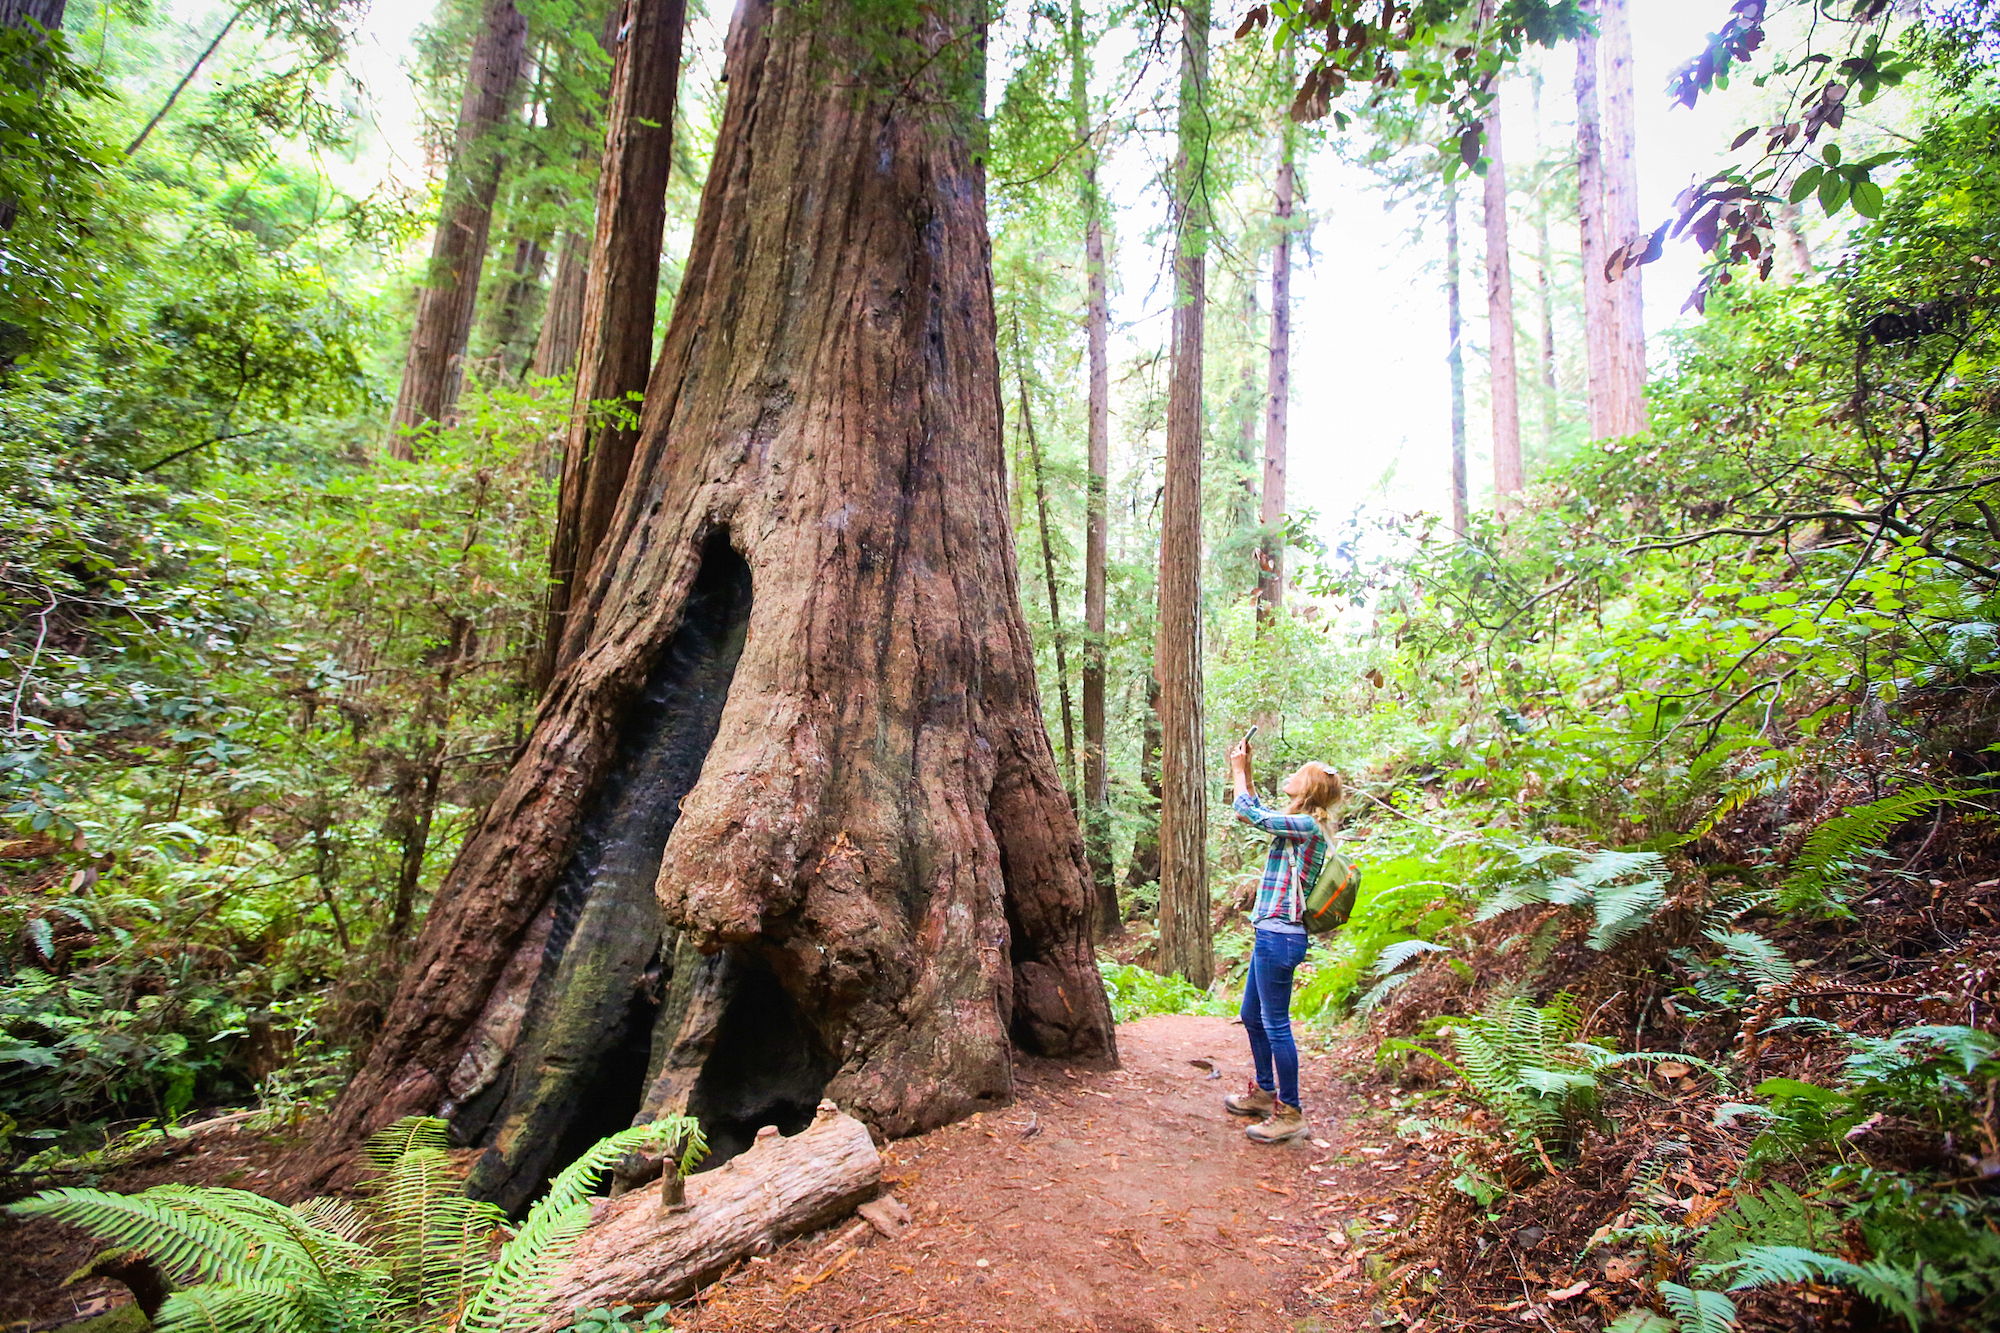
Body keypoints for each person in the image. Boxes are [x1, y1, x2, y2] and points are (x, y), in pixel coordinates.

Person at [1222, 736, 1344, 1144]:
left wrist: (1238, 772)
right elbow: (1259, 811)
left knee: (1275, 1024)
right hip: (1270, 932)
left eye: (1297, 775)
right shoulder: (1301, 824)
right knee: (1254, 1016)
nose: (1289, 777)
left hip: (1281, 936)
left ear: (1308, 789)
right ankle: (1264, 1092)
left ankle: (1290, 1111)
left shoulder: (1309, 826)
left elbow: (1249, 815)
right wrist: (1248, 771)